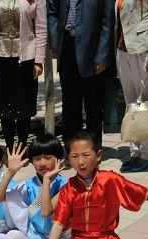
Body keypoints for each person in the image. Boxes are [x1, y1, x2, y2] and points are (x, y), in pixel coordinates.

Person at [0, 133, 74, 239]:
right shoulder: (29, 184)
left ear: (59, 159)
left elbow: (46, 211)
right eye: (37, 158)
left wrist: (47, 181)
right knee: (13, 236)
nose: (42, 163)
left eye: (48, 157)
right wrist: (10, 172)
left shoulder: (68, 185)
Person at [0, 0, 46, 151]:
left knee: (24, 108)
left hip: (25, 59)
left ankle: (22, 148)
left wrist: (39, 60)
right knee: (4, 108)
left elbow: (41, 29)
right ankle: (9, 148)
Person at [47, 0, 114, 147]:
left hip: (92, 50)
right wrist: (55, 41)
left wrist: (102, 56)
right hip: (66, 48)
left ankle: (93, 148)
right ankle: (71, 148)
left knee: (93, 105)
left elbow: (107, 22)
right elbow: (52, 12)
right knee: (70, 104)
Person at [115, 0, 148, 172]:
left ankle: (147, 154)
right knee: (132, 105)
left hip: (144, 51)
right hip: (123, 51)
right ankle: (135, 152)